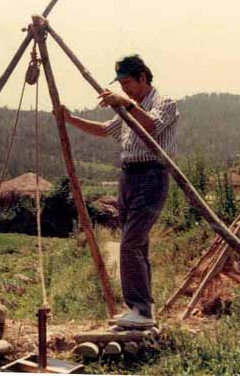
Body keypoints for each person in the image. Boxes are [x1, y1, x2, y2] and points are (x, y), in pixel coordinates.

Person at [58, 54, 179, 328]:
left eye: (128, 83)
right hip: (129, 176)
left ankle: (141, 310)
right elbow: (105, 129)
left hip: (153, 174)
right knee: (137, 243)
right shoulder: (127, 107)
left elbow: (151, 126)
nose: (125, 89)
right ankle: (142, 308)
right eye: (121, 85)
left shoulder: (164, 103)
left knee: (130, 243)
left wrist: (126, 103)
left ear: (143, 78)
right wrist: (69, 119)